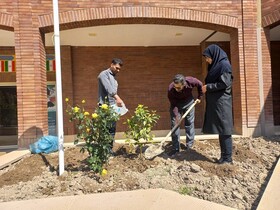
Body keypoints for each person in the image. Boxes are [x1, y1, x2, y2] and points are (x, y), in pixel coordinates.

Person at [202, 44, 234, 164]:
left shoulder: (224, 65)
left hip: (222, 103)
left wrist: (208, 87)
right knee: (222, 130)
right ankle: (224, 157)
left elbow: (224, 84)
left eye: (207, 57)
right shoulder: (217, 65)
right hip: (218, 103)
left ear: (214, 55)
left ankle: (227, 158)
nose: (207, 60)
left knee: (225, 131)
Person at [168, 74, 203, 156]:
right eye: (175, 87)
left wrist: (199, 97)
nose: (176, 89)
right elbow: (173, 104)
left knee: (189, 123)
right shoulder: (171, 89)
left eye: (179, 88)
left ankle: (189, 146)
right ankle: (175, 148)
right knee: (175, 125)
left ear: (184, 84)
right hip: (176, 105)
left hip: (189, 103)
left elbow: (200, 84)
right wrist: (177, 117)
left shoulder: (190, 81)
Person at [98, 58, 124, 149]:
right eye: (117, 68)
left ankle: (109, 150)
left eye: (119, 69)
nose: (118, 70)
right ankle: (103, 151)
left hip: (113, 106)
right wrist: (117, 97)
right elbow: (108, 88)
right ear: (111, 64)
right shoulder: (103, 74)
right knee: (105, 129)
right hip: (105, 107)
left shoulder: (113, 77)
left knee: (112, 129)